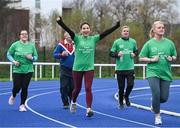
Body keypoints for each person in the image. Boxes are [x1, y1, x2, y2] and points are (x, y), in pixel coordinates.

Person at [56, 16, 120, 117]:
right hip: (77, 68)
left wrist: (116, 26)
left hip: (89, 68)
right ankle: (73, 101)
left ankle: (89, 109)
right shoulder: (76, 38)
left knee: (88, 88)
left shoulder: (93, 39)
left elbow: (106, 33)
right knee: (77, 89)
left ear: (90, 30)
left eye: (87, 28)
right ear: (81, 30)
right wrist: (60, 22)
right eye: (84, 28)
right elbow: (68, 29)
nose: (86, 30)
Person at [139, 21, 177, 125]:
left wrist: (171, 58)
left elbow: (174, 56)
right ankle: (158, 116)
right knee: (156, 93)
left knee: (164, 98)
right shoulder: (149, 44)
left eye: (163, 27)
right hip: (153, 72)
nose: (162, 29)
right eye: (159, 27)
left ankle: (154, 103)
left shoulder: (169, 43)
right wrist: (151, 60)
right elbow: (141, 58)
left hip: (166, 73)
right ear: (154, 30)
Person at [7, 30, 38, 112]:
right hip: (17, 69)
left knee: (24, 87)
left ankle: (22, 105)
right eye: (22, 34)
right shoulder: (15, 45)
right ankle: (13, 95)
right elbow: (9, 54)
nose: (24, 35)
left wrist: (31, 58)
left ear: (28, 36)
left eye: (26, 34)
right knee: (17, 86)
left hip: (28, 69)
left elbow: (36, 57)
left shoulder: (31, 46)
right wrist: (14, 61)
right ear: (20, 36)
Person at [109, 25, 138, 109]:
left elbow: (136, 51)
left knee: (130, 85)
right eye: (124, 31)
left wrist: (135, 54)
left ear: (129, 33)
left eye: (127, 31)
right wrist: (117, 54)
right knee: (121, 88)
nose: (126, 32)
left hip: (130, 68)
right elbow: (111, 53)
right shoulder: (117, 42)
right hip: (120, 69)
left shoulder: (133, 42)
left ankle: (127, 96)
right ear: (121, 33)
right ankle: (121, 102)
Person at [53, 32, 75, 109]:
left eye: (71, 35)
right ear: (65, 37)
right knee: (64, 87)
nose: (70, 37)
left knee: (73, 87)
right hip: (64, 68)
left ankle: (72, 101)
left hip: (74, 69)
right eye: (68, 36)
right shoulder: (61, 45)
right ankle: (65, 103)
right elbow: (55, 54)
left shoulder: (76, 44)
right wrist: (61, 55)